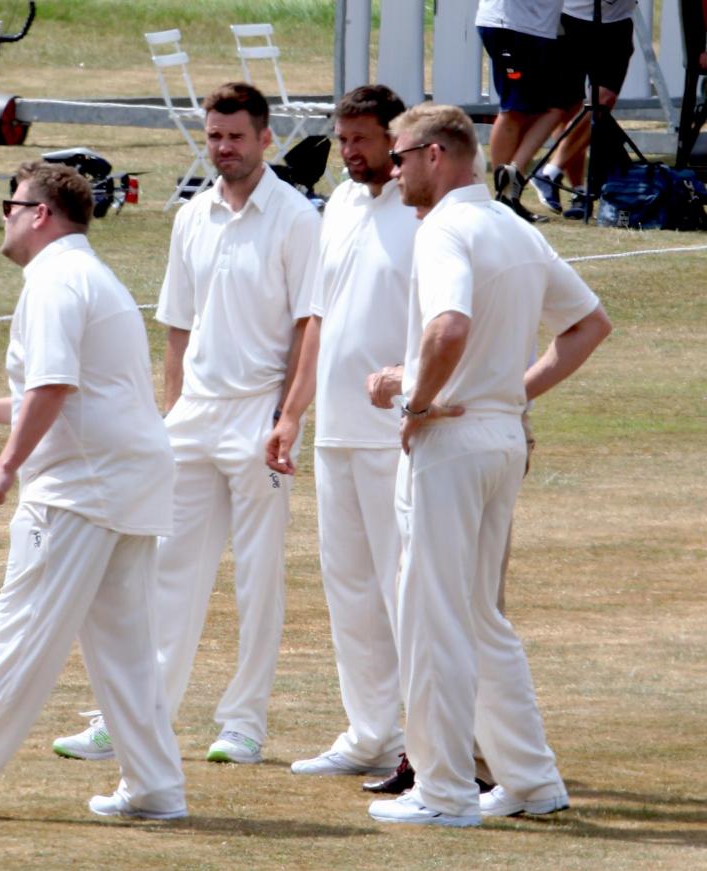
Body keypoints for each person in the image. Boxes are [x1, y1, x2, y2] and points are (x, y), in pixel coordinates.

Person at [0, 161, 186, 821]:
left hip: (82, 487)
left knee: (22, 629)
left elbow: (55, 387)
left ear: (40, 213)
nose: (6, 214)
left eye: (12, 204)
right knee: (125, 646)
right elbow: (74, 385)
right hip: (125, 479)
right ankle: (155, 788)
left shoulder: (55, 280)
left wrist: (5, 464)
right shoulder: (83, 275)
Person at [53, 83, 321, 765]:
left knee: (257, 577)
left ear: (265, 139)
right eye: (214, 136)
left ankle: (243, 722)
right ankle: (138, 714)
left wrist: (288, 416)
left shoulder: (294, 217)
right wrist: (168, 415)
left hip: (259, 416)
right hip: (194, 418)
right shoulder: (192, 216)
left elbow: (310, 326)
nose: (223, 148)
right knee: (165, 571)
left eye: (236, 136)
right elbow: (177, 326)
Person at [366, 103, 611, 827]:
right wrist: (506, 392)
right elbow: (588, 323)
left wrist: (411, 395)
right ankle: (531, 779)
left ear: (437, 155)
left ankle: (442, 791)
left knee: (434, 617)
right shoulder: (511, 225)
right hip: (498, 437)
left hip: (454, 443)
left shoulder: (445, 228)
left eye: (401, 156)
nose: (394, 170)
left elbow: (449, 326)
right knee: (477, 616)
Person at [265, 85, 415, 779]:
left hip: (400, 436)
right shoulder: (342, 206)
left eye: (362, 139)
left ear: (396, 137)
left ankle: (426, 739)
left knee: (402, 587)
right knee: (348, 587)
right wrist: (292, 413)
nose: (348, 152)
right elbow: (317, 320)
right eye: (343, 138)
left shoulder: (424, 213)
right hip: (336, 434)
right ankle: (369, 732)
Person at [530, 0, 637, 220]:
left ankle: (549, 172)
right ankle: (579, 190)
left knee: (602, 102)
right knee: (570, 107)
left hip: (617, 21)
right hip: (572, 18)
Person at [475, 0, 566, 222]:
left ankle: (511, 184)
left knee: (552, 106)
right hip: (512, 25)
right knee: (514, 109)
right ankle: (503, 196)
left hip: (536, 26)